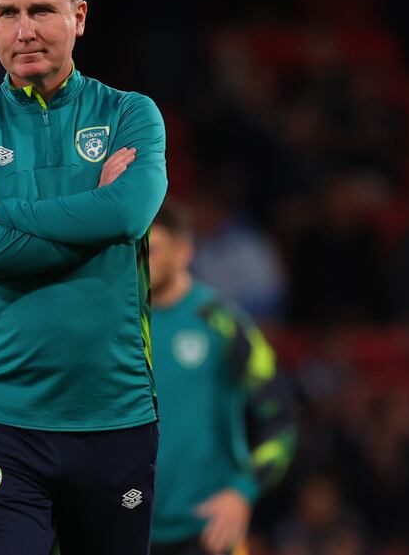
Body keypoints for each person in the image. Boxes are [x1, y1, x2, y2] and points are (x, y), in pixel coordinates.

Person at [0, 0, 167, 555]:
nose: (25, 30)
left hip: (114, 411)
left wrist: (6, 216)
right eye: (8, 12)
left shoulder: (132, 114)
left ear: (78, 16)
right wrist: (96, 222)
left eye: (41, 10)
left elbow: (130, 211)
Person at [148, 201, 297, 555]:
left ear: (183, 252)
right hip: (129, 528)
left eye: (152, 250)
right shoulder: (117, 324)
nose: (139, 261)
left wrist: (243, 491)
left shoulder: (222, 323)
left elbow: (281, 416)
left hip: (207, 534)